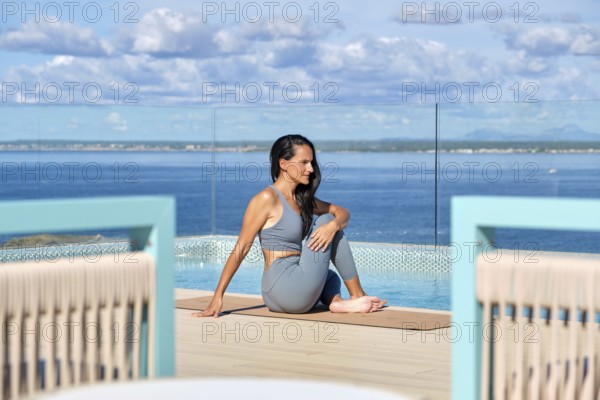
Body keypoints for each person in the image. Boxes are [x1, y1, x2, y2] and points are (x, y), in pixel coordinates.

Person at [192, 134, 386, 318]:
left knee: (330, 275)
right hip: (285, 284)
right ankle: (358, 295)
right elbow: (241, 248)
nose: (310, 169)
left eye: (311, 163)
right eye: (304, 163)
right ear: (283, 164)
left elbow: (343, 213)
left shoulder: (303, 200)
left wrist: (334, 225)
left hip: (279, 295)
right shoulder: (267, 199)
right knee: (326, 220)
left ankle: (336, 302)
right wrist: (217, 297)